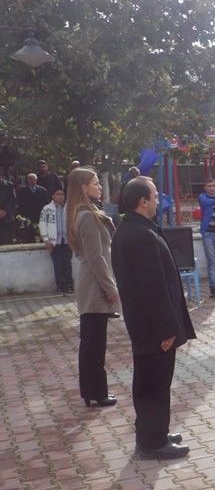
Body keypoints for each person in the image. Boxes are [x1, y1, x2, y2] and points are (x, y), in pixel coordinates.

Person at [112, 177, 195, 460]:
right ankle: (151, 442)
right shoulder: (139, 235)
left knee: (153, 380)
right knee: (153, 382)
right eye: (155, 196)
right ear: (142, 201)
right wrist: (166, 329)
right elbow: (152, 287)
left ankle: (155, 431)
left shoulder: (137, 228)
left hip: (147, 323)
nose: (159, 200)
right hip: (152, 327)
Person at [66, 168, 119, 408]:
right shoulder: (87, 216)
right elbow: (96, 257)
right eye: (95, 183)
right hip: (94, 285)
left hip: (92, 283)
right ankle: (97, 392)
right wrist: (110, 287)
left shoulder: (84, 213)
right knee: (94, 344)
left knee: (92, 342)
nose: (99, 187)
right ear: (83, 187)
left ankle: (92, 391)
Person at [40, 188, 73, 294]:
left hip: (67, 241)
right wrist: (46, 239)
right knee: (57, 264)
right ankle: (60, 287)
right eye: (57, 194)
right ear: (53, 196)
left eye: (62, 194)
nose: (60, 196)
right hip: (54, 242)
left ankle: (69, 285)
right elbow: (42, 224)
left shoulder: (68, 208)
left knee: (68, 264)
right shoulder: (47, 209)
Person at [17, 173, 49, 241]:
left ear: (36, 180)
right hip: (28, 217)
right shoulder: (22, 191)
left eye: (32, 179)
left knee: (42, 236)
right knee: (30, 236)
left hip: (40, 217)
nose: (31, 180)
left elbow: (47, 204)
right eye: (29, 179)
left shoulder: (42, 190)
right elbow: (20, 204)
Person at [0, 174, 16, 245]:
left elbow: (13, 200)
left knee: (6, 242)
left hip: (6, 217)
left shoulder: (9, 185)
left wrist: (5, 210)